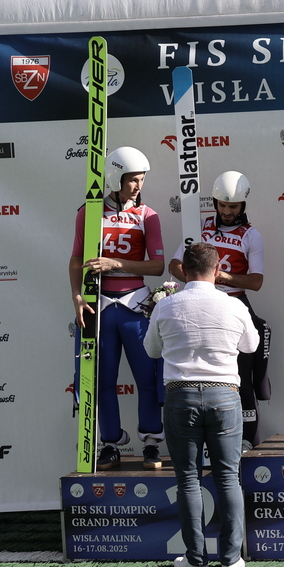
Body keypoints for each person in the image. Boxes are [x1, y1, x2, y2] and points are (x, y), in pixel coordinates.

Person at [144, 242, 259, 567]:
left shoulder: (166, 305)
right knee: (227, 477)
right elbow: (251, 345)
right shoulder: (234, 305)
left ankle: (196, 560)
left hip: (180, 396)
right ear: (218, 268)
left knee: (188, 479)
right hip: (224, 395)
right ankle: (231, 560)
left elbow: (151, 350)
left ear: (183, 270)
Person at [70, 146, 166, 470]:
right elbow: (76, 259)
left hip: (135, 304)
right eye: (132, 180)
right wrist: (76, 296)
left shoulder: (148, 215)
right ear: (115, 177)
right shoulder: (89, 212)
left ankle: (151, 442)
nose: (138, 186)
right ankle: (110, 443)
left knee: (147, 377)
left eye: (141, 180)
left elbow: (157, 266)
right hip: (99, 307)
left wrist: (117, 263)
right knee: (103, 380)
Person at [169, 171, 271, 448]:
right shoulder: (199, 228)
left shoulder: (251, 236)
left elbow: (256, 281)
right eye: (222, 205)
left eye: (233, 206)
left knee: (243, 378)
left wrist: (221, 277)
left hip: (234, 306)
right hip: (200, 304)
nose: (226, 211)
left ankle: (249, 442)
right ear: (214, 202)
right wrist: (199, 280)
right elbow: (175, 264)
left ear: (243, 205)